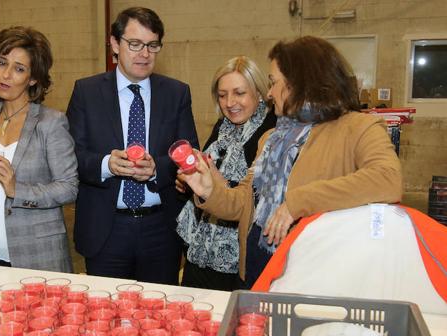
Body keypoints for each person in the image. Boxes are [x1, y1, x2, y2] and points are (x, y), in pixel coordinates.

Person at [181, 36, 403, 289]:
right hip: (256, 271)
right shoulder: (271, 139)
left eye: (274, 82)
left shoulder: (359, 128)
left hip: (309, 277)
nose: (269, 93)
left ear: (299, 83)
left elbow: (388, 179)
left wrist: (295, 203)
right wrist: (208, 190)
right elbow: (244, 203)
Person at [66, 7, 198, 284]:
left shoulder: (176, 93)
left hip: (161, 229)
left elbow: (189, 153)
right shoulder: (86, 92)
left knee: (159, 315)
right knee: (107, 315)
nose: (144, 53)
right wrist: (106, 164)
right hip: (106, 227)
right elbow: (71, 156)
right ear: (115, 43)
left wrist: (156, 168)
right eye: (135, 44)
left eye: (152, 45)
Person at [0, 26, 78, 271]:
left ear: (33, 78)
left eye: (19, 69)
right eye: (2, 63)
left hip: (38, 253)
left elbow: (69, 188)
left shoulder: (51, 123)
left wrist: (17, 189)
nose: (6, 75)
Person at [176, 56, 277, 291]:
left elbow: (262, 198)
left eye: (239, 93)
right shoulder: (223, 126)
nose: (230, 102)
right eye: (222, 95)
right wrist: (189, 181)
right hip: (201, 246)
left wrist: (219, 185)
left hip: (238, 255)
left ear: (260, 93)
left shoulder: (272, 130)